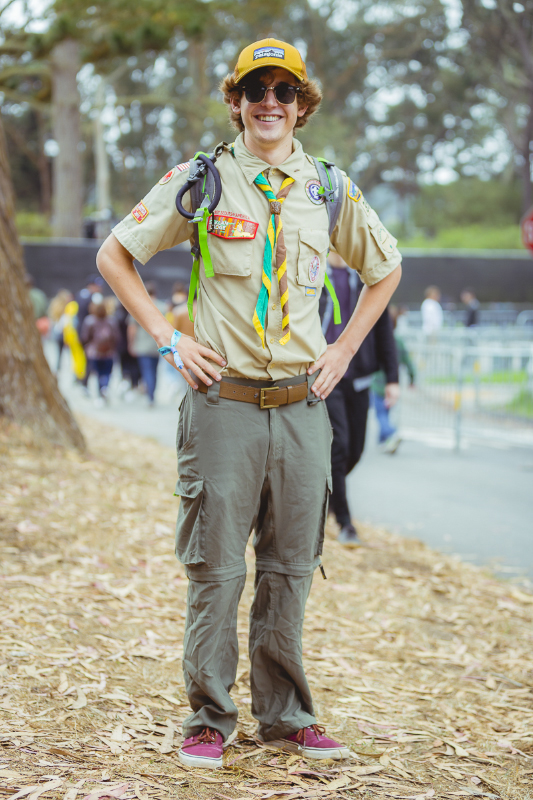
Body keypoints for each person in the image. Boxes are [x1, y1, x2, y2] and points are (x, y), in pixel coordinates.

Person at [96, 38, 402, 769]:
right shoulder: (201, 179)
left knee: (291, 565)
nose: (270, 102)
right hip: (222, 404)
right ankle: (208, 717)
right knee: (216, 567)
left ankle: (288, 716)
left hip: (302, 406)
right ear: (236, 99)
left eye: (284, 90)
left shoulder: (328, 187)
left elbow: (385, 269)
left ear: (302, 104)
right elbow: (116, 253)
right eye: (256, 88)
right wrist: (168, 340)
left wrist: (343, 348)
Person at [322, 250, 399, 545]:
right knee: (338, 446)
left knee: (355, 450)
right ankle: (345, 522)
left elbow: (384, 332)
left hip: (359, 376)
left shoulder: (366, 279)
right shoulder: (314, 273)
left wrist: (392, 378)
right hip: (326, 377)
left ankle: (327, 495)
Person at [370, 305, 416, 453]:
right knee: (387, 412)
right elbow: (408, 362)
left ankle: (391, 433)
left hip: (378, 385)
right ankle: (383, 441)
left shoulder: (378, 341)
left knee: (381, 414)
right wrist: (412, 378)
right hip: (393, 384)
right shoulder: (400, 341)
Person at [127, 281, 166, 406]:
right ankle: (152, 394)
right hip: (157, 345)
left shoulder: (138, 306)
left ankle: (150, 396)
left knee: (147, 371)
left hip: (142, 345)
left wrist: (131, 344)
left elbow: (132, 328)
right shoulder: (163, 307)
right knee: (154, 371)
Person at [80, 294, 119, 402]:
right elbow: (116, 336)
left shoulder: (89, 320)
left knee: (97, 374)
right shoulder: (111, 320)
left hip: (94, 353)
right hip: (109, 353)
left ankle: (100, 393)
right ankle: (104, 387)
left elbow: (84, 337)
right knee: (106, 372)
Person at [48, 289, 74, 372]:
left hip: (56, 332)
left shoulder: (55, 305)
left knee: (59, 351)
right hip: (63, 332)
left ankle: (58, 366)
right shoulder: (66, 308)